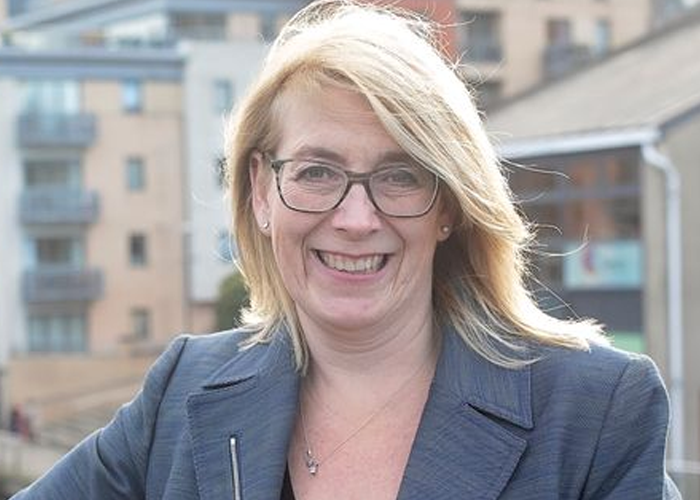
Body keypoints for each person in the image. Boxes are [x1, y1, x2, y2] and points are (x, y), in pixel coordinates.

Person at [11, 1, 680, 499]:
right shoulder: (182, 393)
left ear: (448, 206)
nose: (356, 219)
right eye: (316, 172)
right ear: (261, 192)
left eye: (400, 176)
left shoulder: (595, 410)